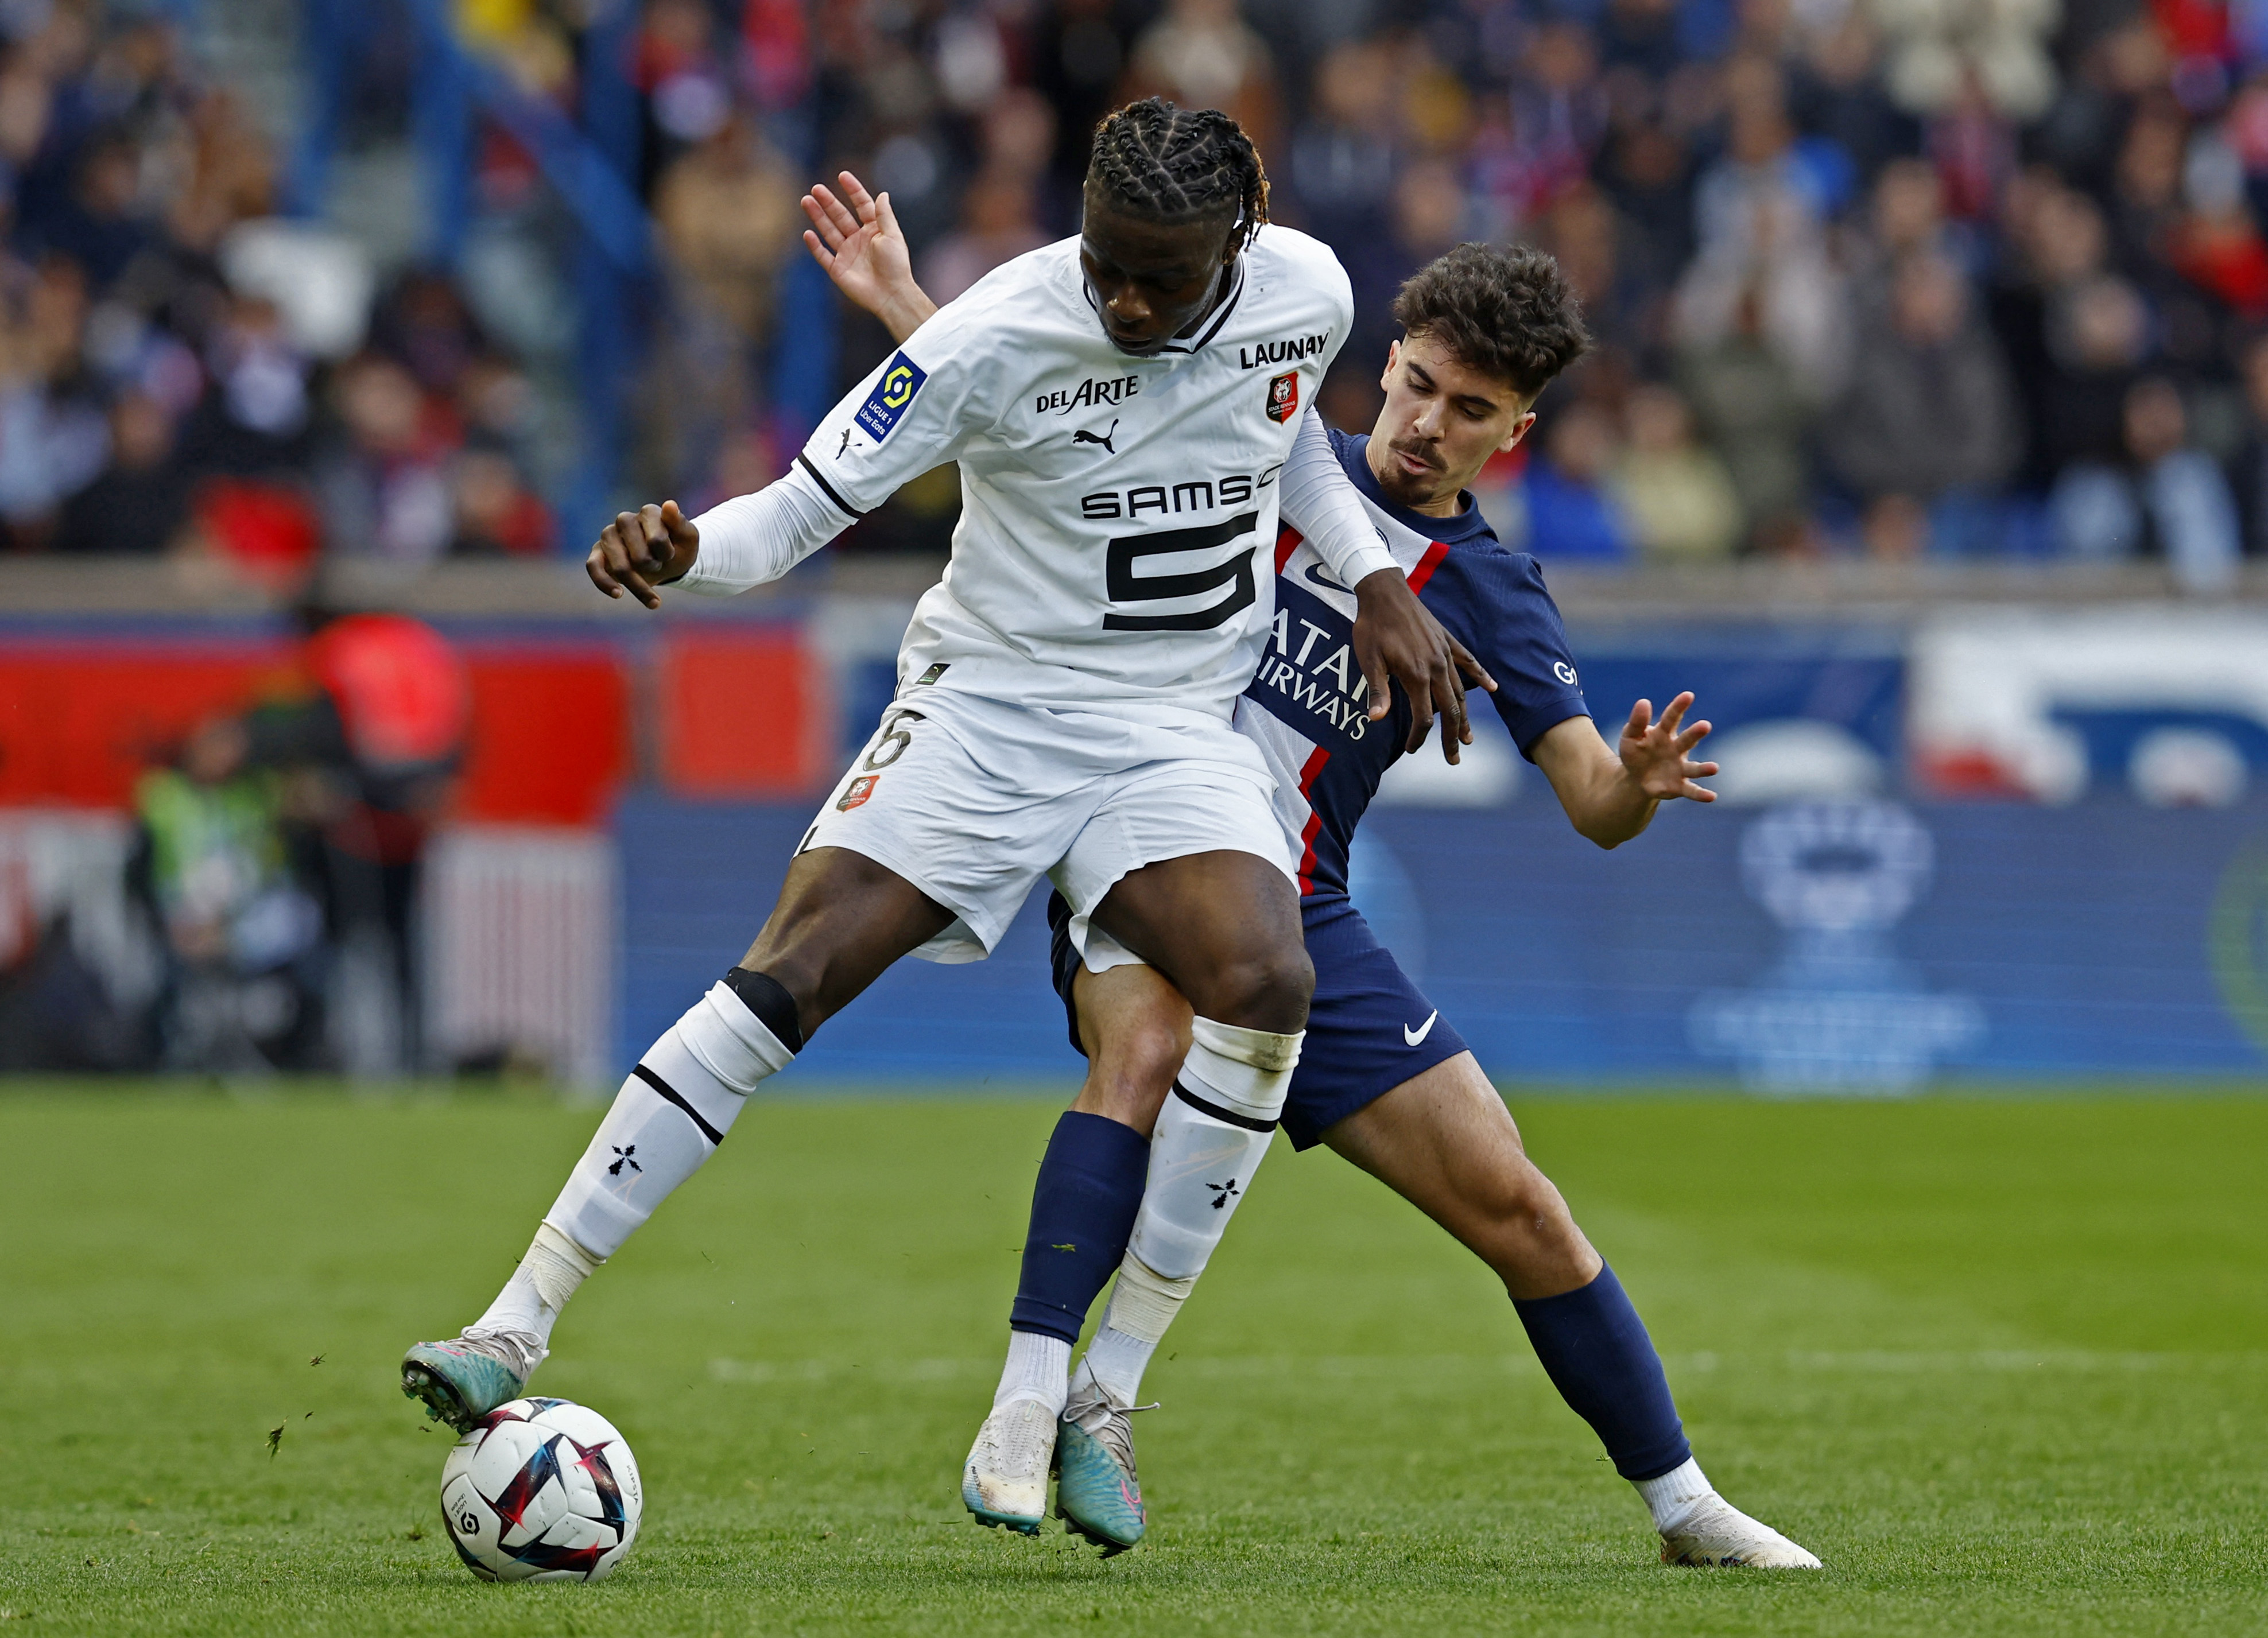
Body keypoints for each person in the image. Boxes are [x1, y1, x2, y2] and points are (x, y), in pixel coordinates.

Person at [397, 102, 1483, 1464]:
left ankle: (1105, 1392)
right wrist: (680, 551)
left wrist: (1376, 575)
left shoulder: (1306, 291)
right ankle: (511, 1324)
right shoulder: (987, 335)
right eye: (1107, 264)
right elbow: (793, 512)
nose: (1129, 300)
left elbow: (1283, 440)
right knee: (789, 972)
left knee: (1265, 979)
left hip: (1167, 725)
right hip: (991, 710)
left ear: (1238, 243)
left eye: (1165, 274)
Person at [803, 180, 1823, 1570]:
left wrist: (1633, 789)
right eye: (1416, 385)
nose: (1426, 424)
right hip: (1130, 839)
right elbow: (1045, 420)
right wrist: (908, 310)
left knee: (1518, 1204)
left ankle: (1683, 1503)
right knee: (1148, 1047)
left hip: (1304, 911)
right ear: (1382, 361)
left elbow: (1586, 795)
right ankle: (1057, 1400)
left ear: (1514, 434)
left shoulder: (1490, 590)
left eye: (1470, 410)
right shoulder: (1256, 437)